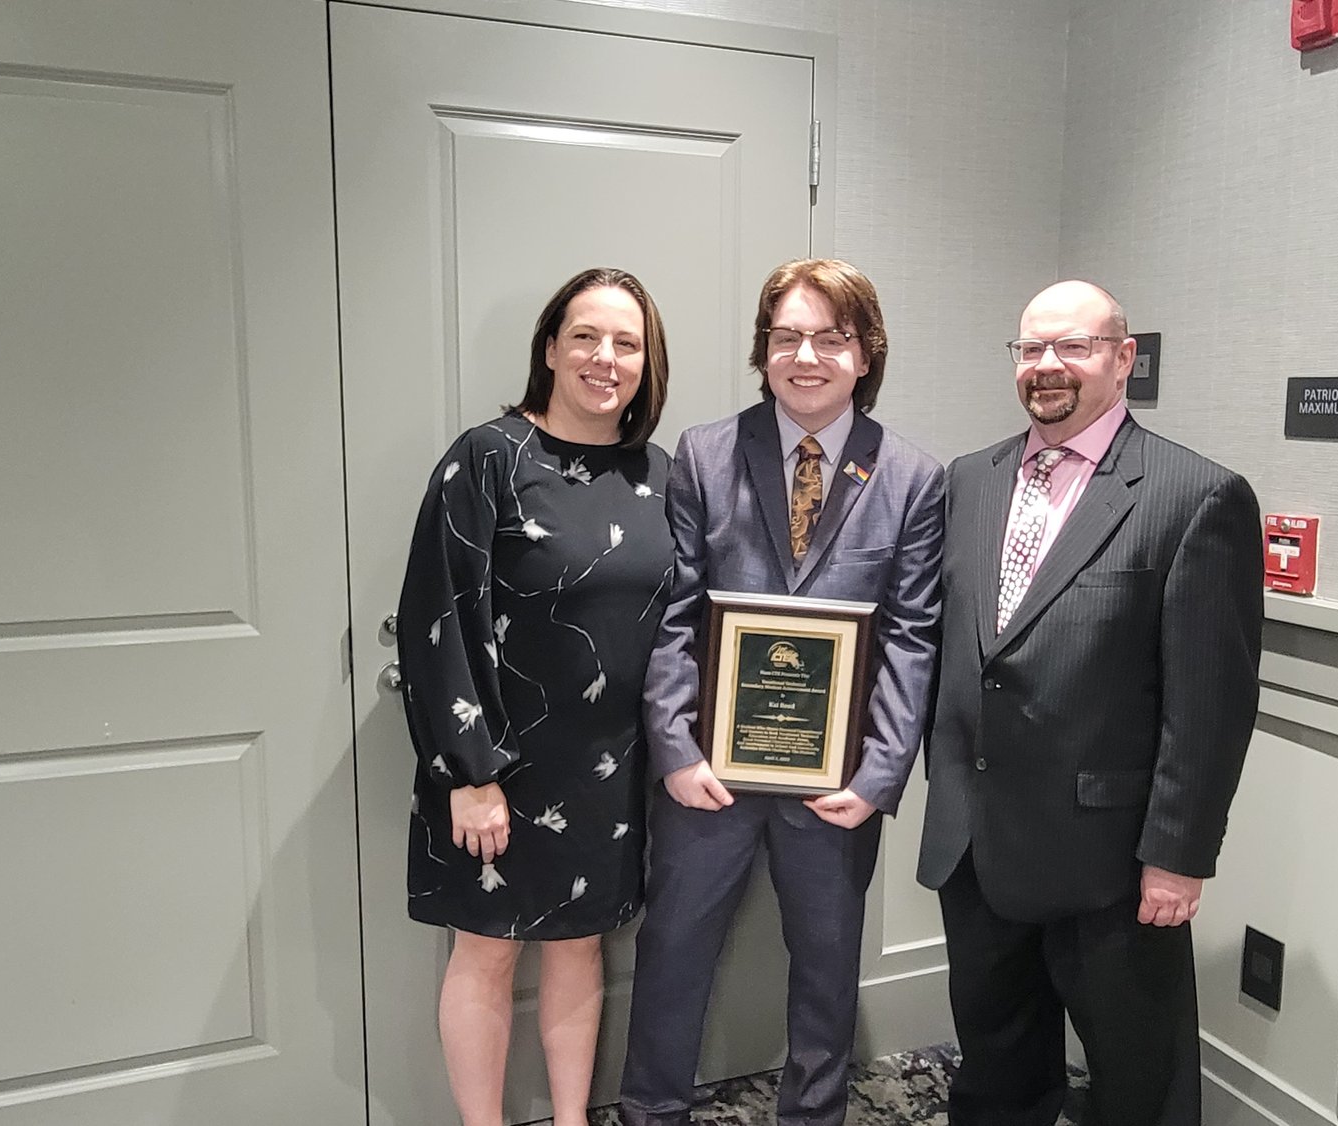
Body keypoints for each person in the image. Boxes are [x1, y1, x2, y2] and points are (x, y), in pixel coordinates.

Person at [916, 280, 1263, 1126]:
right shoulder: (968, 480)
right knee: (997, 1068)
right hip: (979, 844)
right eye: (1031, 348)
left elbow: (1210, 701)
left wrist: (1179, 855)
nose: (1047, 366)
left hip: (1111, 862)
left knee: (1140, 1082)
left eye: (1073, 347)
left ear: (1122, 359)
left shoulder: (1196, 496)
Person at [621, 259, 946, 1126]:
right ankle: (652, 1112)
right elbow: (673, 613)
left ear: (865, 353)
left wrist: (879, 775)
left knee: (828, 968)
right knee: (673, 954)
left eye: (830, 337)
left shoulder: (914, 477)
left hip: (836, 784)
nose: (807, 356)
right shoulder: (704, 453)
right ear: (763, 350)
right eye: (786, 337)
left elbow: (914, 636)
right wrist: (676, 751)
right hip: (707, 776)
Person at [396, 267, 676, 1126]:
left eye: (626, 343)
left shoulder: (658, 473)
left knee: (580, 947)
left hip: (610, 771)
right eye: (585, 336)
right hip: (501, 768)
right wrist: (469, 774)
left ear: (646, 364)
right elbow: (436, 618)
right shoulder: (488, 457)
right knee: (483, 954)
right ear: (550, 349)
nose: (605, 357)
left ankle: (569, 1120)